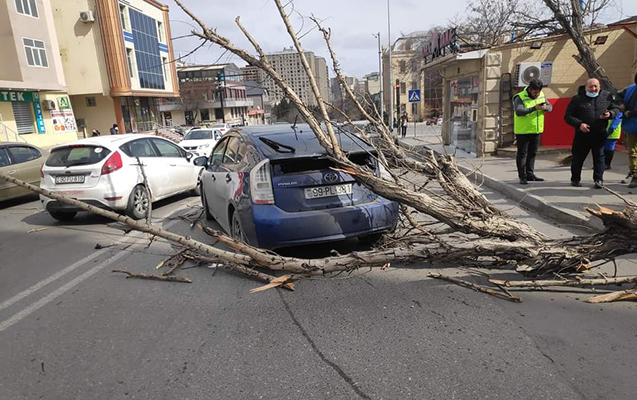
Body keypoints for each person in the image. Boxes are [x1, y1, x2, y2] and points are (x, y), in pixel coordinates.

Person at [564, 78, 619, 188]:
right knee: (578, 158)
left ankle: (598, 180)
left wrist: (610, 114)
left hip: (599, 134)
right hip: (582, 134)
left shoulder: (606, 96)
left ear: (599, 86)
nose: (593, 89)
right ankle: (575, 179)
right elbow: (568, 117)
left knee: (599, 157)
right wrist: (579, 124)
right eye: (591, 87)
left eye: (596, 86)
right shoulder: (577, 99)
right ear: (586, 87)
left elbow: (616, 108)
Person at [512, 78, 552, 184]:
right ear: (530, 89)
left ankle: (530, 174)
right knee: (522, 154)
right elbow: (519, 111)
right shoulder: (520, 97)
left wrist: (545, 108)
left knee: (532, 153)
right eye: (535, 92)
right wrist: (534, 108)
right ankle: (522, 176)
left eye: (538, 92)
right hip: (523, 131)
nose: (536, 95)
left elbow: (550, 107)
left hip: (536, 130)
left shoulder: (541, 95)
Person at [617, 72, 637, 187]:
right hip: (631, 125)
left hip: (631, 119)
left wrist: (631, 113)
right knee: (632, 151)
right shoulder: (630, 89)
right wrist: (620, 104)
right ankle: (634, 174)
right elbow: (617, 95)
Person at [604, 104, 623, 170]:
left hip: (613, 133)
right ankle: (602, 163)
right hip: (605, 131)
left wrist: (610, 130)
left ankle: (607, 164)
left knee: (609, 149)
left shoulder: (618, 111)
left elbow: (616, 121)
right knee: (603, 148)